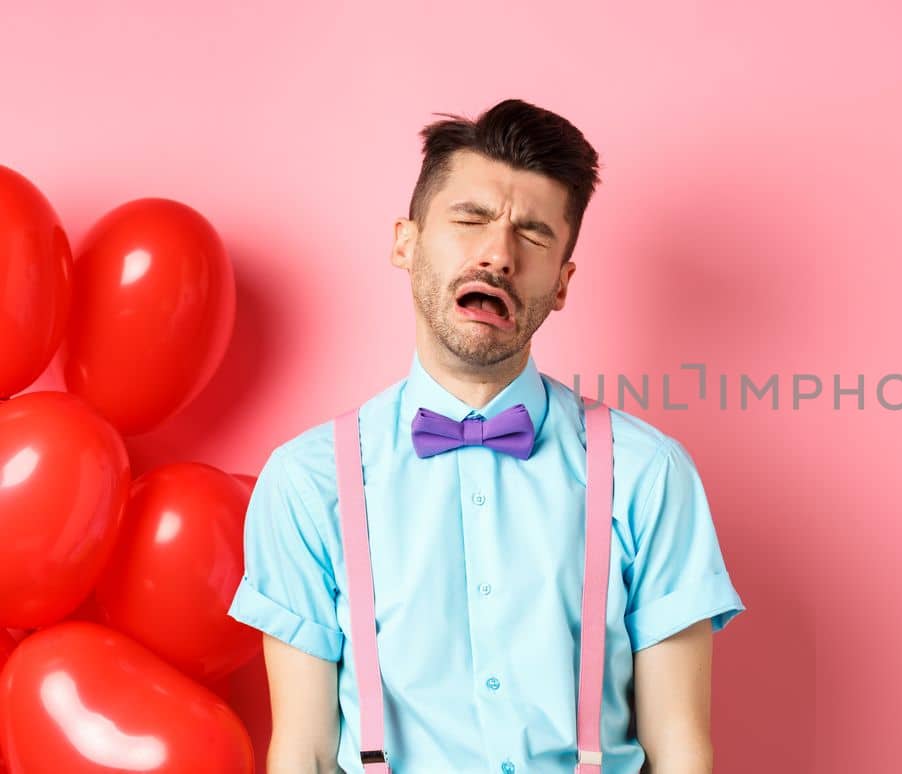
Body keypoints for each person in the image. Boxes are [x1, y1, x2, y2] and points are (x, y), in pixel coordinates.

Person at [227, 99, 746, 774]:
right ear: (406, 243)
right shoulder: (308, 479)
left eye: (532, 236)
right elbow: (305, 750)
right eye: (470, 219)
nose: (498, 254)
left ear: (561, 284)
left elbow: (680, 749)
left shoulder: (649, 473)